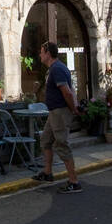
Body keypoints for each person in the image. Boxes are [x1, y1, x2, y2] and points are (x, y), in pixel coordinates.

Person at [33, 41, 82, 193]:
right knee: (46, 140)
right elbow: (71, 90)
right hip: (54, 111)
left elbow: (67, 92)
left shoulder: (57, 69)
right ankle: (48, 172)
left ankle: (74, 181)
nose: (40, 55)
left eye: (41, 51)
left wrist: (73, 109)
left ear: (48, 53)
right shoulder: (55, 68)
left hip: (60, 112)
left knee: (61, 144)